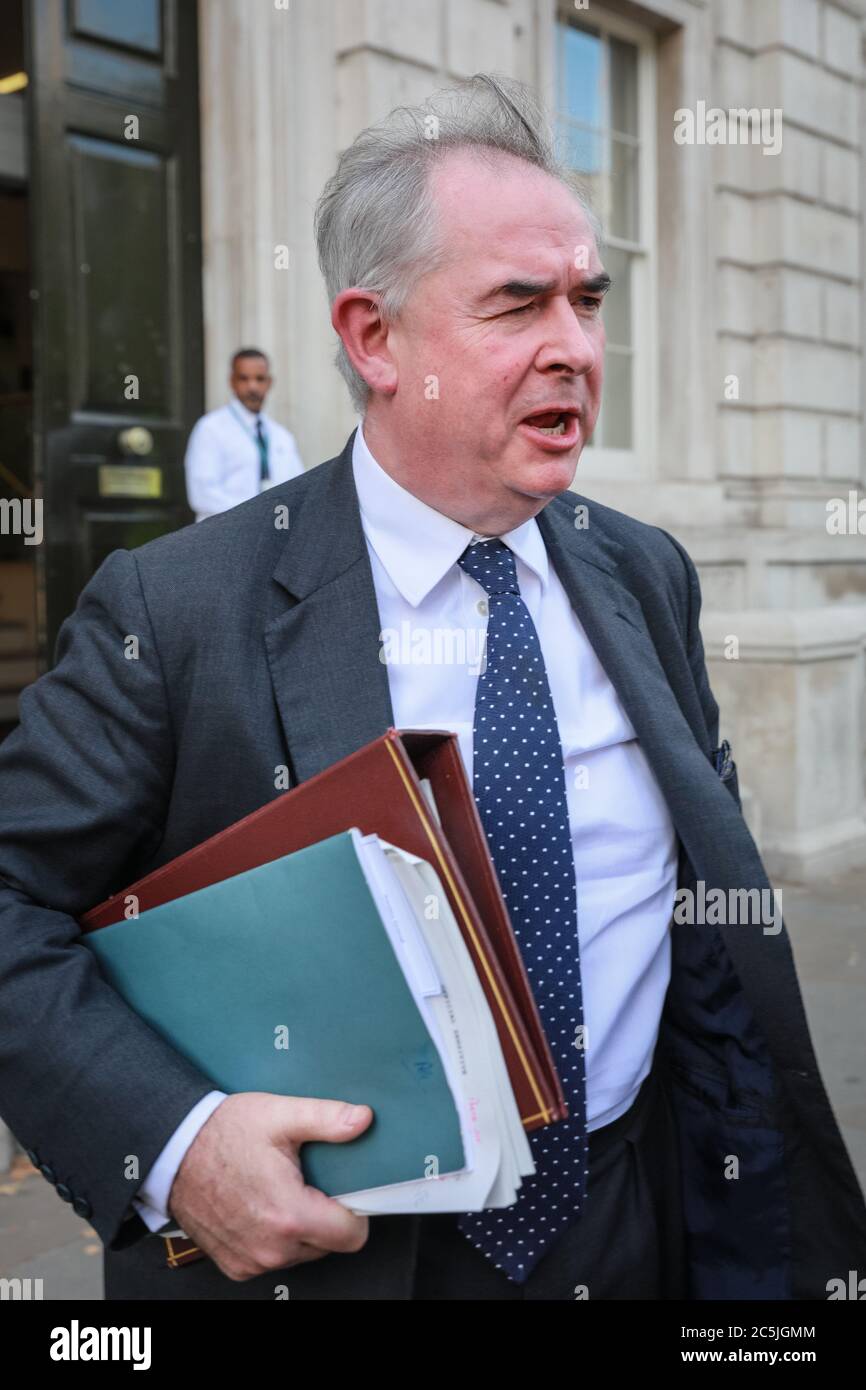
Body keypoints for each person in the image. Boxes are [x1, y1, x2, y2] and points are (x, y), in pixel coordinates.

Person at [0, 75, 864, 1302]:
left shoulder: (645, 573)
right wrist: (181, 1145)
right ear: (373, 337)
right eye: (518, 304)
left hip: (633, 1226)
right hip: (338, 1265)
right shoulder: (178, 610)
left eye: (587, 299)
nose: (573, 344)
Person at [183, 348, 304, 521]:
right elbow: (202, 495)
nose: (252, 387)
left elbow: (298, 490)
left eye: (259, 379)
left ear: (269, 383)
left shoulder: (282, 436)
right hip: (224, 537)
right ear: (232, 382)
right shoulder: (210, 429)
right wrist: (257, 513)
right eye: (244, 379)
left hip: (272, 536)